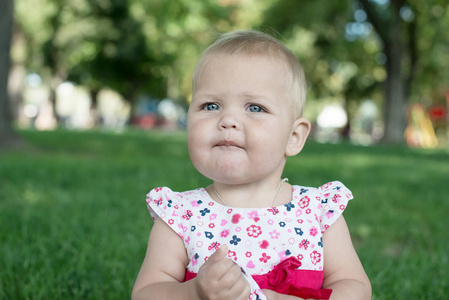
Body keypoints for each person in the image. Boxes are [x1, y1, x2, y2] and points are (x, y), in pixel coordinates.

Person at [132, 30, 371, 300]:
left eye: (254, 108)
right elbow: (146, 293)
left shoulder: (317, 213)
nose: (228, 120)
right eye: (210, 106)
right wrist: (193, 292)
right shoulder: (181, 217)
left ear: (293, 137)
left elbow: (355, 287)